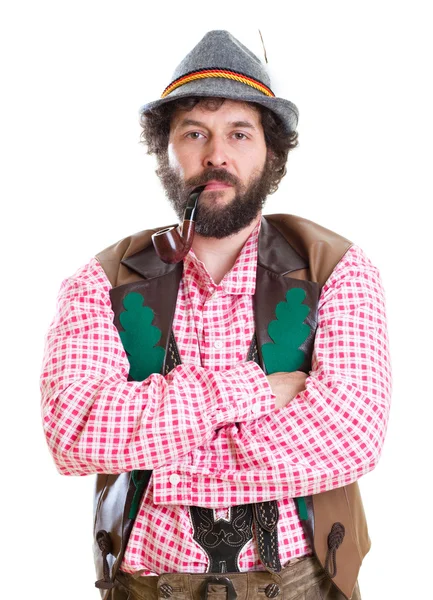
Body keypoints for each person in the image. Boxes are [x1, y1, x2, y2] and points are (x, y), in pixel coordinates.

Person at [41, 30, 391, 600]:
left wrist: (166, 460)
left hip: (304, 582)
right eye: (195, 133)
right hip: (144, 586)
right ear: (167, 150)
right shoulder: (100, 281)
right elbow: (76, 432)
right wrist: (256, 393)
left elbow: (351, 437)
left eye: (239, 134)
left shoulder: (337, 269)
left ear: (270, 152)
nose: (216, 156)